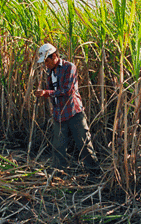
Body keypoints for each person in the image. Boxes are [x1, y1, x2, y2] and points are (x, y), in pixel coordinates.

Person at [34, 43, 100, 173]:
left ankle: (94, 170)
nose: (45, 64)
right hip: (59, 113)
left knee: (84, 143)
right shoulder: (50, 72)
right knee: (58, 145)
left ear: (54, 57)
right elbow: (54, 91)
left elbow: (67, 90)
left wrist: (47, 93)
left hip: (74, 111)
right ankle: (59, 172)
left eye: (47, 61)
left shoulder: (69, 67)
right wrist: (44, 93)